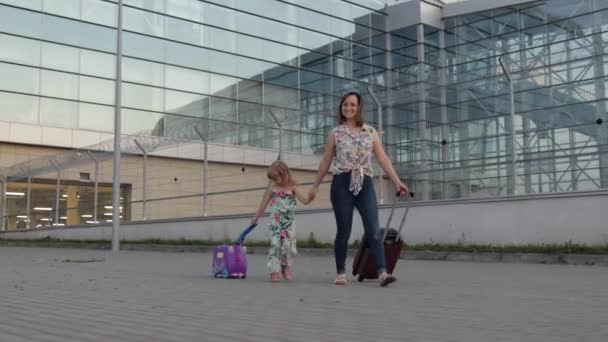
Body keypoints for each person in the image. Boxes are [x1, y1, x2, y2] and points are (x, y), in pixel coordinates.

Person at [308, 91, 409, 287]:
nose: (349, 108)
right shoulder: (335, 133)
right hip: (341, 184)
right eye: (345, 104)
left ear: (359, 108)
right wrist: (314, 186)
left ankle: (382, 272)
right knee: (344, 230)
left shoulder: (370, 133)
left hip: (365, 183)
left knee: (373, 229)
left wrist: (397, 181)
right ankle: (340, 273)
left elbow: (382, 158)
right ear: (341, 108)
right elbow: (325, 162)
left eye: (353, 105)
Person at [252, 160, 312, 282]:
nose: (274, 181)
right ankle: (275, 271)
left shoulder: (293, 188)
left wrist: (310, 197)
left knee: (286, 246)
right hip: (275, 222)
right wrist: (256, 216)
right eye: (272, 179)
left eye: (276, 178)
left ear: (284, 174)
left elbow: (304, 201)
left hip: (288, 223)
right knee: (275, 244)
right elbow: (264, 203)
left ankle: (285, 267)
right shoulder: (273, 189)